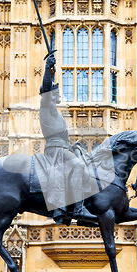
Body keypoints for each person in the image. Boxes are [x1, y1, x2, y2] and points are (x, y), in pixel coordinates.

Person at [38, 53, 97, 224]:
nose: (59, 94)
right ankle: (78, 209)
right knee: (78, 166)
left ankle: (82, 206)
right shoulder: (46, 104)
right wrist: (48, 69)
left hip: (63, 148)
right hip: (56, 150)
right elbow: (46, 88)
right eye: (57, 92)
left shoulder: (54, 111)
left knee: (86, 162)